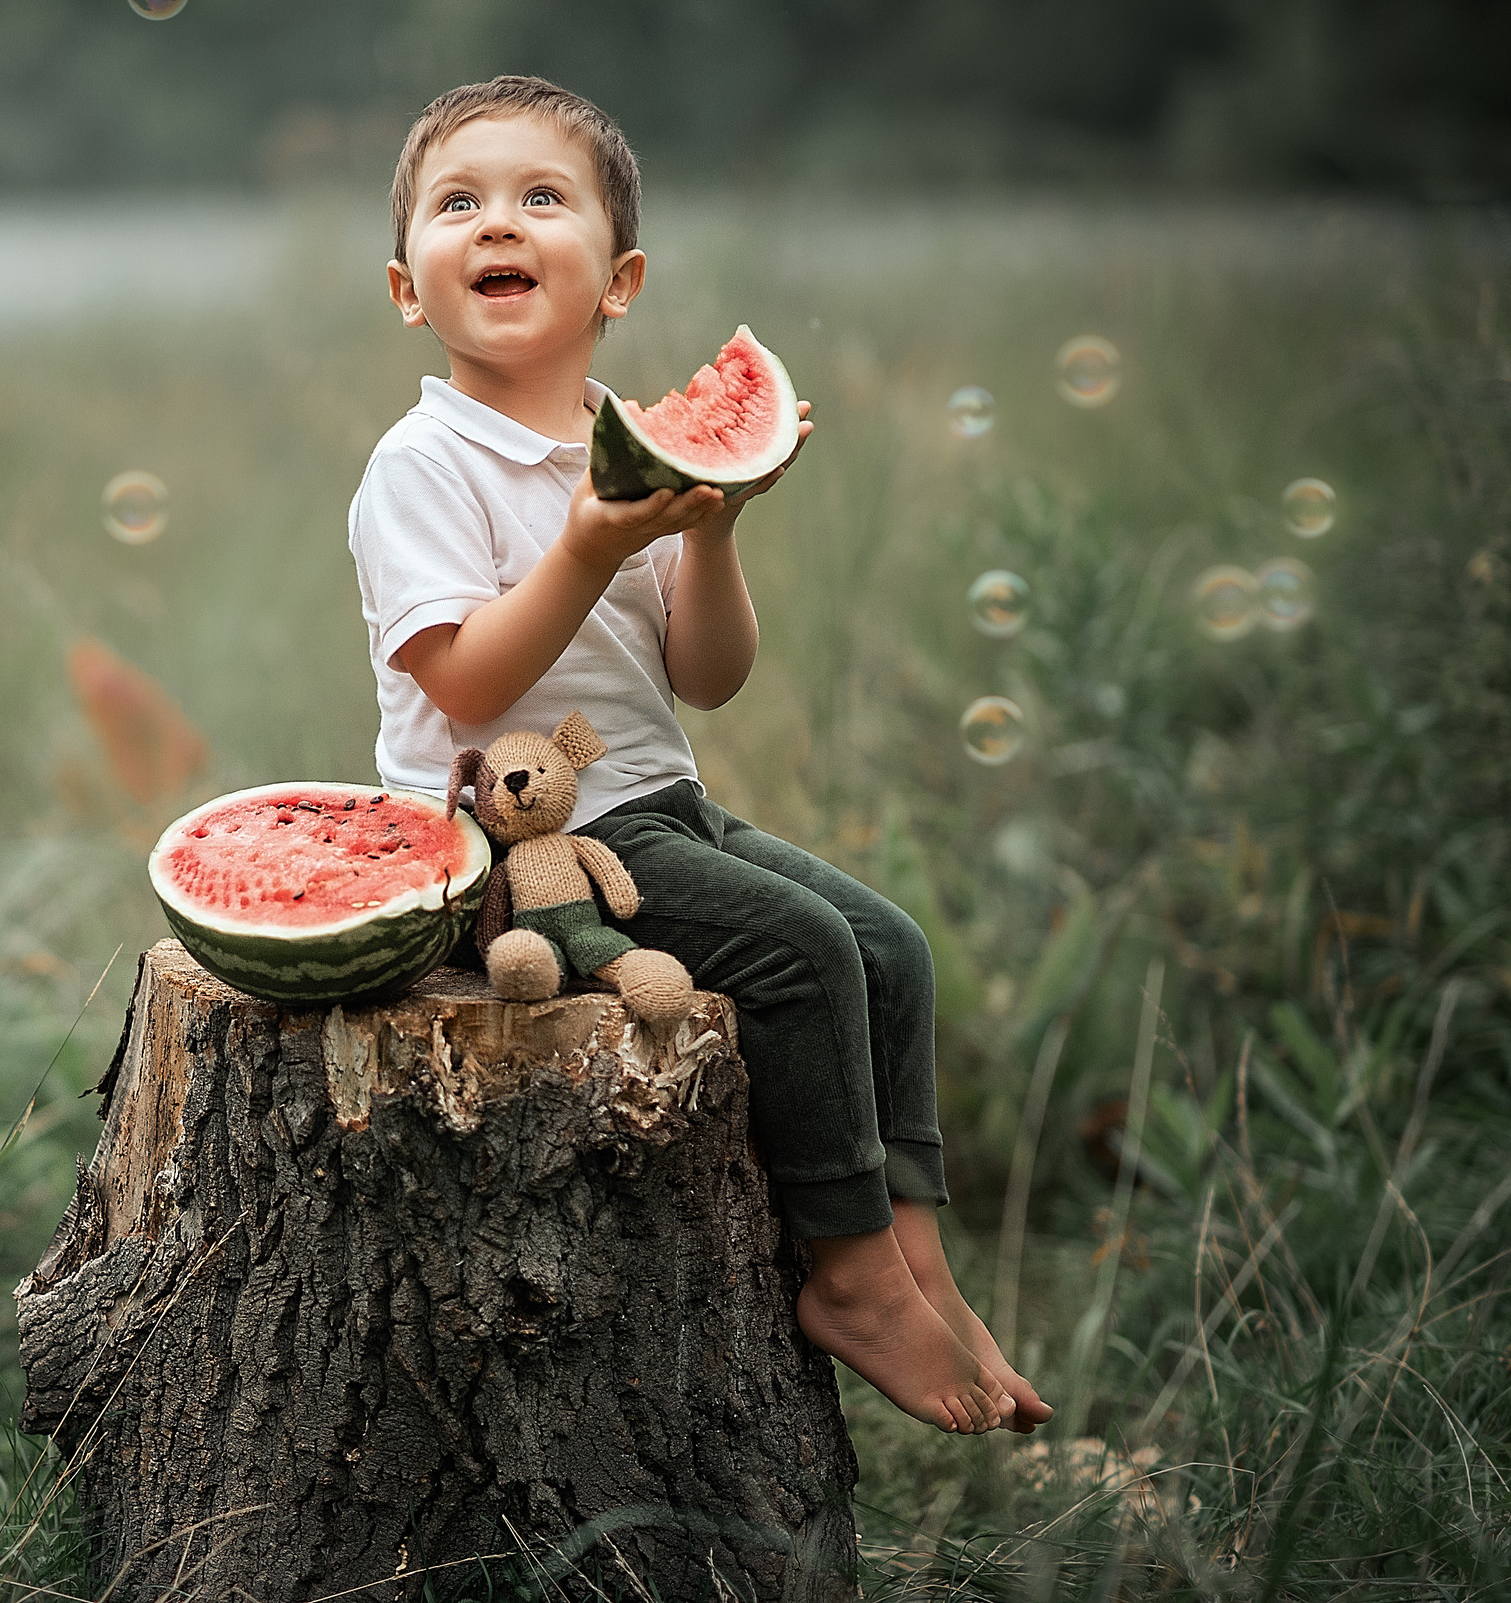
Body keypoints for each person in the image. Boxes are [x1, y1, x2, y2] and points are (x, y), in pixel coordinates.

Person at [347, 74, 1051, 1437]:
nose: (499, 222)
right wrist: (587, 543)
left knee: (892, 946)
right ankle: (851, 1278)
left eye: (542, 197)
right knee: (803, 950)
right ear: (405, 289)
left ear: (621, 280)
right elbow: (466, 678)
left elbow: (708, 676)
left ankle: (919, 1262)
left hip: (657, 802)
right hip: (524, 846)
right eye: (458, 203)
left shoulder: (627, 445)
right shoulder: (422, 464)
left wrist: (712, 526)